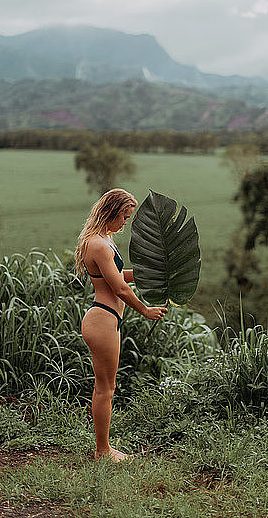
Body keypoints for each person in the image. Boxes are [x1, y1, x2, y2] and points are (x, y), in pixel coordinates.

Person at [75, 188, 168, 462]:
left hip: (106, 319)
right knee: (105, 388)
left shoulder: (103, 239)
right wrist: (145, 310)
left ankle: (103, 448)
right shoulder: (99, 245)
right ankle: (102, 451)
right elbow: (119, 289)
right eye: (124, 217)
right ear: (112, 212)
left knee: (106, 386)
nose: (125, 222)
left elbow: (119, 275)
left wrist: (148, 275)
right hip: (102, 318)